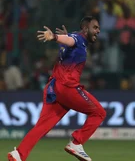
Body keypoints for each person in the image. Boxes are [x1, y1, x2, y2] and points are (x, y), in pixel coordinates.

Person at [8, 16, 106, 161]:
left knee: (42, 126)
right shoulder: (78, 39)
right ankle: (76, 143)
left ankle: (18, 155)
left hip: (54, 88)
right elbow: (70, 41)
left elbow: (68, 41)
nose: (98, 31)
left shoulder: (75, 38)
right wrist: (54, 37)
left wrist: (62, 38)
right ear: (85, 29)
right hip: (67, 87)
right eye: (95, 27)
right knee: (99, 113)